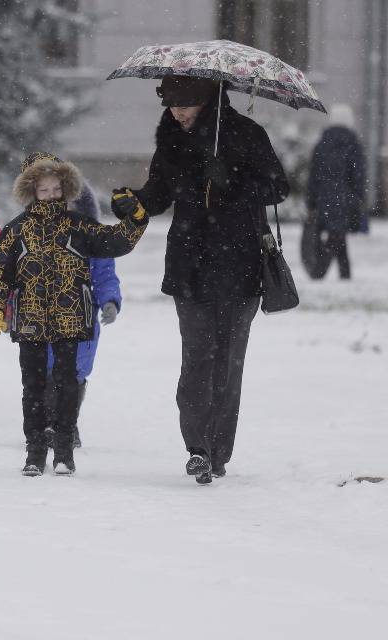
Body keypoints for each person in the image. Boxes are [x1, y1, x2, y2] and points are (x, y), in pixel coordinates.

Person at [111, 75, 289, 484]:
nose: (178, 111)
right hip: (189, 266)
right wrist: (132, 202)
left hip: (240, 264)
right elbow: (158, 194)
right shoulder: (171, 139)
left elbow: (278, 186)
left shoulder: (246, 133)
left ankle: (219, 451)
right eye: (172, 103)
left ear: (209, 100)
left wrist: (233, 178)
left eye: (187, 103)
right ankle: (197, 449)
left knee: (227, 363)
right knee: (197, 361)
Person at [0, 152, 148, 476]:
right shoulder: (17, 231)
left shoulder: (79, 227)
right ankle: (34, 451)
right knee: (32, 387)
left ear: (66, 189)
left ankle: (63, 451)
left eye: (55, 189)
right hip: (31, 321)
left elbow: (115, 242)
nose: (50, 196)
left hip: (70, 319)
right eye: (42, 190)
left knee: (67, 386)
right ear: (31, 192)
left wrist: (136, 219)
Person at [43, 181, 123, 451]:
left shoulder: (95, 240)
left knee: (74, 374)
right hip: (46, 317)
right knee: (49, 372)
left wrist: (110, 301)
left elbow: (105, 277)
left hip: (83, 318)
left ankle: (67, 423)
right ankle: (49, 422)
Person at [305, 103, 366, 280]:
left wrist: (311, 201)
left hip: (324, 199)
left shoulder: (321, 144)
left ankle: (344, 274)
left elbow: (313, 175)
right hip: (345, 199)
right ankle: (319, 272)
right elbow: (359, 175)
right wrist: (359, 197)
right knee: (337, 235)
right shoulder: (353, 144)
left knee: (337, 235)